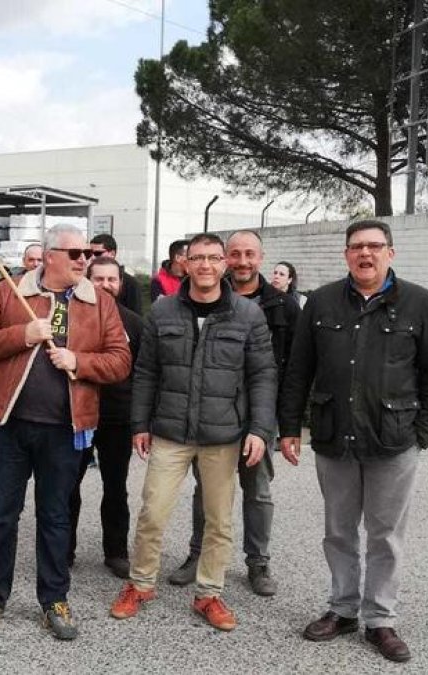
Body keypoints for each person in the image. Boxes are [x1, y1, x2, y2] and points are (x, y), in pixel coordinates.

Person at [279, 220, 428, 663]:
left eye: (375, 246)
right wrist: (288, 428)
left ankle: (380, 619)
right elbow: (298, 369)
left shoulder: (421, 303)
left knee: (385, 535)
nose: (366, 253)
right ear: (346, 254)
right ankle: (342, 610)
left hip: (394, 440)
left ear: (390, 253)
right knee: (338, 532)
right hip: (334, 435)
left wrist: (422, 433)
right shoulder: (320, 302)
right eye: (357, 246)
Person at [0, 223, 131, 641]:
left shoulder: (100, 303)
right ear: (51, 255)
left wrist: (79, 361)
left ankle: (54, 598)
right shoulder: (9, 291)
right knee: (2, 514)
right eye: (75, 254)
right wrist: (22, 334)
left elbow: (121, 361)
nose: (84, 260)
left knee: (55, 517)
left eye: (87, 253)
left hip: (64, 431)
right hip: (10, 426)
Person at [109, 233, 277, 631]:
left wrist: (259, 429)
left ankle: (209, 594)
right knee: (153, 512)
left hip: (223, 436)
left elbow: (263, 375)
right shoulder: (163, 311)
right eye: (197, 258)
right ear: (185, 263)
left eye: (213, 258)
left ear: (224, 264)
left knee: (219, 520)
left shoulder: (248, 315)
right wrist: (139, 424)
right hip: (170, 432)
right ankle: (140, 584)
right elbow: (146, 371)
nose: (205, 265)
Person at [167, 230, 300, 596]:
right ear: (226, 258)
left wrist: (282, 423)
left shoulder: (283, 306)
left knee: (257, 490)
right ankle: (198, 554)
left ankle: (258, 561)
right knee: (206, 490)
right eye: (236, 254)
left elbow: (293, 369)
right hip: (212, 411)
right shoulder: (207, 297)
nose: (243, 261)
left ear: (261, 257)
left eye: (250, 254)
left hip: (259, 413)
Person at [67, 256, 143, 579]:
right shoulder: (71, 315)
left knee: (116, 487)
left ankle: (116, 551)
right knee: (68, 485)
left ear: (120, 284)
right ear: (87, 280)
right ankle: (63, 549)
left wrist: (141, 420)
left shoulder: (134, 323)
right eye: (99, 279)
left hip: (117, 418)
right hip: (79, 413)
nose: (106, 285)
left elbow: (143, 373)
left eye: (112, 279)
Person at [89, 233, 142, 314]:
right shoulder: (83, 279)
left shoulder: (130, 283)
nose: (92, 257)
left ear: (112, 254)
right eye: (90, 253)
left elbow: (135, 315)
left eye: (98, 253)